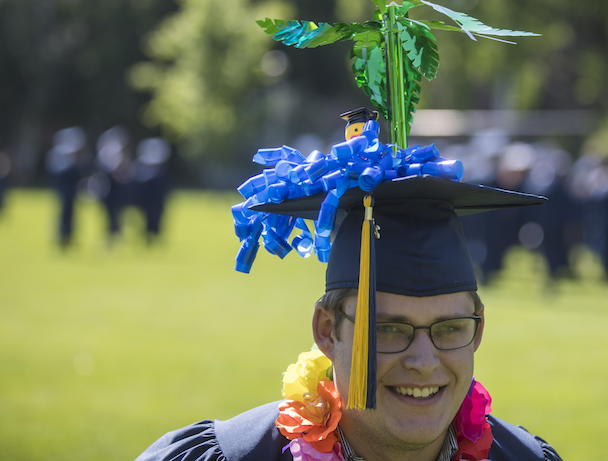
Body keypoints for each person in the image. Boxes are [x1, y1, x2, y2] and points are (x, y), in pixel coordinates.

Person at [135, 114, 561, 461]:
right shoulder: (237, 456)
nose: (423, 360)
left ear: (479, 329)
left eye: (449, 328)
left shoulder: (523, 459)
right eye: (388, 329)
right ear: (326, 330)